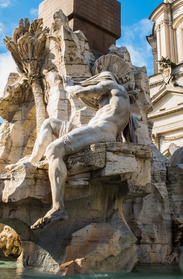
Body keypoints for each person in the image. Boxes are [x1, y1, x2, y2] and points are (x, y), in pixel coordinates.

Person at [19, 72, 133, 230]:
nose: (97, 100)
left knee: (54, 148)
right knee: (49, 123)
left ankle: (58, 208)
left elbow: (82, 92)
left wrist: (68, 86)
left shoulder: (114, 86)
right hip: (92, 130)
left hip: (101, 132)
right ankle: (33, 161)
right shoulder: (109, 104)